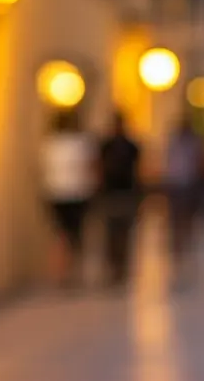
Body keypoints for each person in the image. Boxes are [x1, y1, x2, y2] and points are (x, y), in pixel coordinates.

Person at [40, 109, 96, 289]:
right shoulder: (82, 143)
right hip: (77, 194)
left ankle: (61, 273)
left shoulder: (49, 144)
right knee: (75, 235)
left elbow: (44, 170)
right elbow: (90, 167)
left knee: (60, 234)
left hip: (55, 194)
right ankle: (72, 272)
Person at [98, 111, 143, 288]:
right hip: (112, 193)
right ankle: (115, 267)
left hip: (125, 193)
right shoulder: (106, 146)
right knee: (113, 233)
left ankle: (121, 267)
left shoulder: (130, 146)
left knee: (122, 232)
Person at [165, 114, 204, 287]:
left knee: (188, 222)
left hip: (190, 186)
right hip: (176, 186)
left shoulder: (194, 144)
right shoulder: (174, 143)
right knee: (176, 224)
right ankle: (177, 255)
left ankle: (187, 252)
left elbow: (200, 164)